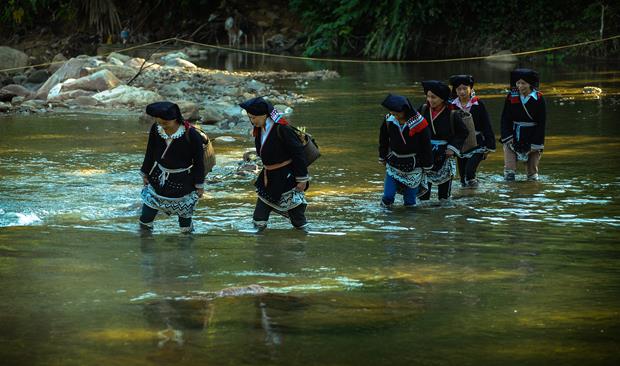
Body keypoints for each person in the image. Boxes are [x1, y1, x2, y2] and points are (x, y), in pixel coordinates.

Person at [239, 97, 309, 231]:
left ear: (264, 115)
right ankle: (261, 249)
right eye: (250, 118)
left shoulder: (282, 129)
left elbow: (298, 153)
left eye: (253, 118)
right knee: (258, 219)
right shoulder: (259, 129)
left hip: (287, 179)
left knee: (298, 221)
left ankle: (302, 245)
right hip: (268, 179)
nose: (251, 121)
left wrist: (302, 180)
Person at [139, 101, 205, 233]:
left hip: (183, 181)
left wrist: (199, 185)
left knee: (184, 221)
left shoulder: (192, 135)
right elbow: (150, 152)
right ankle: (145, 242)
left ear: (175, 119)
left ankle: (185, 246)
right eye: (159, 123)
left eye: (165, 123)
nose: (162, 126)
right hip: (158, 177)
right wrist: (145, 172)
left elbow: (199, 162)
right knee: (146, 216)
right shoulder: (156, 129)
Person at [378, 94, 433, 208]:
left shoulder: (420, 123)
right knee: (387, 197)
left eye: (397, 113)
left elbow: (426, 145)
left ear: (405, 110)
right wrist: (382, 156)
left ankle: (409, 222)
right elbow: (383, 140)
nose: (395, 116)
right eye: (393, 113)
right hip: (394, 164)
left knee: (410, 201)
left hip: (414, 166)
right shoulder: (389, 119)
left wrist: (427, 165)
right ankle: (386, 219)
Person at [418, 80, 469, 201]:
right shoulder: (423, 110)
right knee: (422, 195)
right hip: (426, 154)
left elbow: (463, 132)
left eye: (433, 97)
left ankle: (444, 215)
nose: (430, 100)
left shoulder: (452, 114)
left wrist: (452, 148)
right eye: (428, 96)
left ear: (442, 98)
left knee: (444, 197)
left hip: (445, 155)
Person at [449, 74, 496, 188]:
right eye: (459, 89)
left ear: (471, 89)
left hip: (478, 144)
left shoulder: (478, 104)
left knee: (469, 172)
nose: (462, 92)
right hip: (461, 145)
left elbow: (487, 125)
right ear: (455, 90)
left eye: (465, 88)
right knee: (462, 177)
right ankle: (467, 197)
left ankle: (476, 192)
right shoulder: (451, 106)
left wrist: (490, 147)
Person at [500, 68, 546, 181]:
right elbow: (505, 118)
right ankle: (511, 194)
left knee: (532, 175)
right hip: (514, 136)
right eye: (518, 83)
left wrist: (536, 144)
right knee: (509, 173)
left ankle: (531, 193)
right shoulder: (511, 97)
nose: (520, 86)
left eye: (523, 83)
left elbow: (542, 123)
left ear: (530, 84)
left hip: (532, 136)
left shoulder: (539, 98)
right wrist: (508, 137)